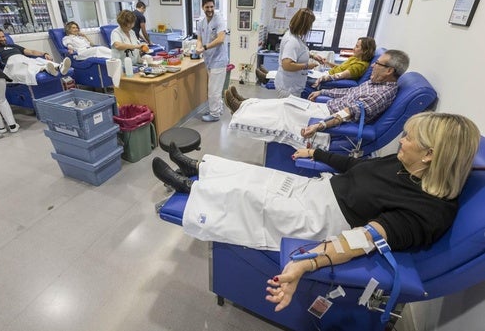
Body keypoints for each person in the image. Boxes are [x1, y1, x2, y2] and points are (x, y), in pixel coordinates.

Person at [151, 113, 480, 308]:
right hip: (320, 189)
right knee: (256, 175)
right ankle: (196, 167)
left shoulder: (427, 212)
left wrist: (306, 262)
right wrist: (319, 155)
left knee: (248, 197)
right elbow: (357, 167)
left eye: (409, 138)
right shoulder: (404, 164)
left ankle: (189, 188)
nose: (402, 140)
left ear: (431, 155)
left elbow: (364, 239)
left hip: (321, 219)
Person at [224, 49, 410, 150]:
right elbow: (350, 93)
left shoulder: (382, 93)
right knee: (287, 101)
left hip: (329, 120)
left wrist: (320, 126)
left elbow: (350, 112)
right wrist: (324, 93)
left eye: (378, 64)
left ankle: (241, 111)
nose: (373, 67)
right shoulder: (375, 83)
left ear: (389, 71)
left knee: (284, 110)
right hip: (327, 107)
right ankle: (245, 104)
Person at [264, 8, 324, 98]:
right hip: (289, 87)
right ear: (304, 25)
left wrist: (312, 55)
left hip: (291, 84)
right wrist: (307, 66)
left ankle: (264, 76)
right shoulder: (292, 41)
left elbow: (299, 51)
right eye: (310, 24)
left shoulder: (293, 35)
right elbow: (287, 65)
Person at [0, 27, 71, 86]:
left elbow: (31, 52)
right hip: (12, 63)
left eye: (3, 36)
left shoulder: (13, 46)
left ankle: (60, 67)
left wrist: (45, 54)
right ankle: (47, 68)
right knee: (27, 64)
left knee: (37, 60)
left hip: (23, 59)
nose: (2, 38)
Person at [195, 0, 229, 122]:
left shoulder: (219, 19)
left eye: (212, 6)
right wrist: (198, 48)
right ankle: (217, 109)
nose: (209, 9)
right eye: (207, 7)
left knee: (213, 90)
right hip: (209, 60)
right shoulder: (201, 22)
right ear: (202, 7)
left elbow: (220, 39)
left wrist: (204, 47)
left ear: (214, 6)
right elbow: (199, 39)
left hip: (219, 60)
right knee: (216, 88)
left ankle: (214, 115)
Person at [311, 36, 376, 88]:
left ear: (365, 50)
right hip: (327, 73)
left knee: (304, 78)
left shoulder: (360, 65)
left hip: (328, 77)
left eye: (357, 46)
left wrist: (322, 78)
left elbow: (340, 75)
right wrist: (327, 62)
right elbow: (341, 68)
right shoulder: (355, 58)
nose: (353, 48)